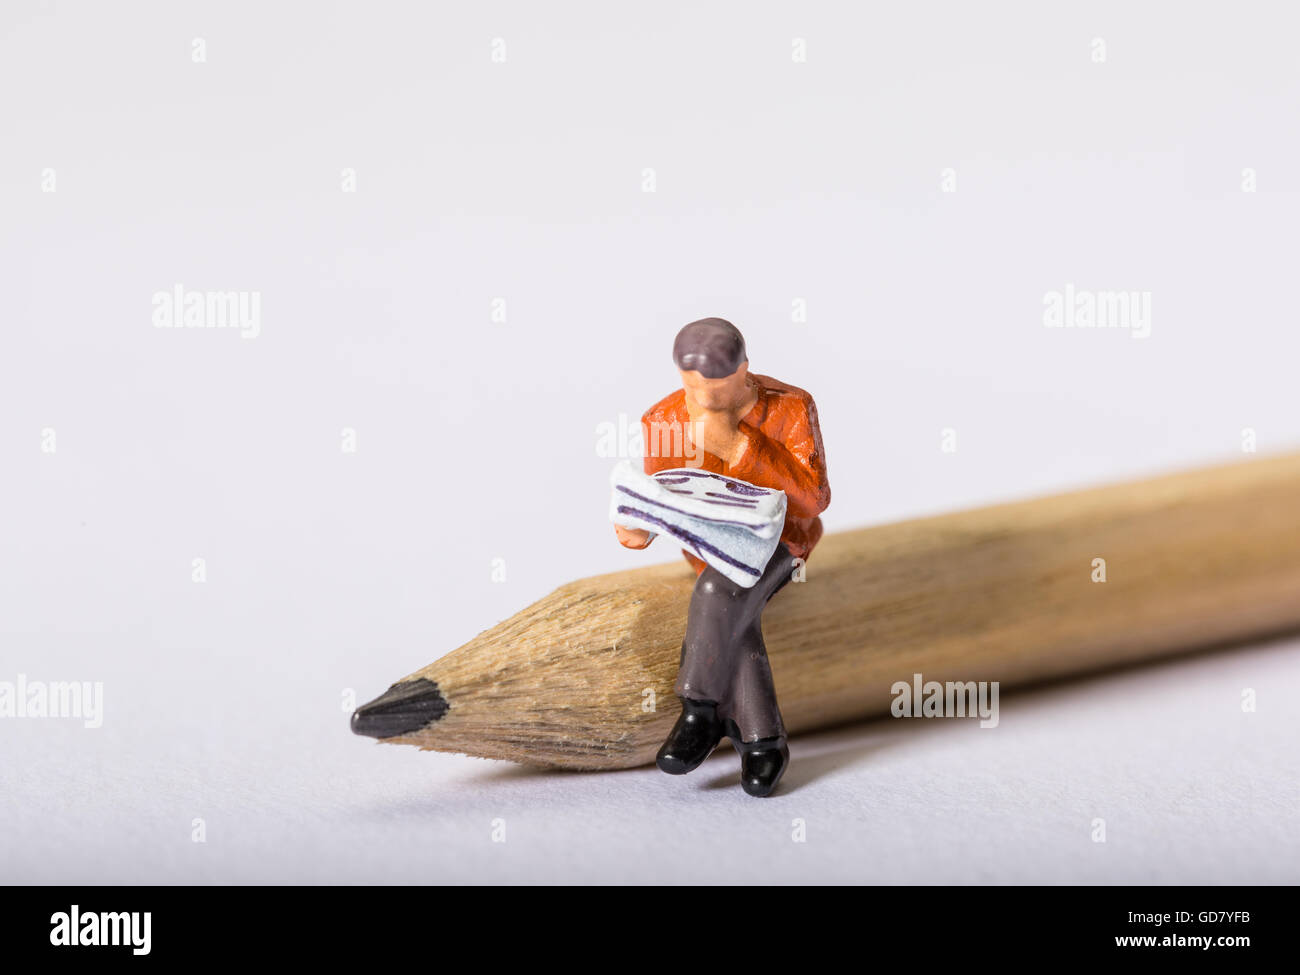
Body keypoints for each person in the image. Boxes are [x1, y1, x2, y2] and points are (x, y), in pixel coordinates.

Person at [615, 318, 831, 796]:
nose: (707, 399)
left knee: (718, 590)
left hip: (783, 543)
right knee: (737, 619)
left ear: (745, 371)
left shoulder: (791, 408)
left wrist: (738, 446)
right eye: (693, 386)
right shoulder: (665, 421)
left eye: (720, 385)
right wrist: (636, 523)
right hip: (707, 548)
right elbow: (664, 496)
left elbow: (813, 500)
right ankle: (762, 742)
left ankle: (700, 709)